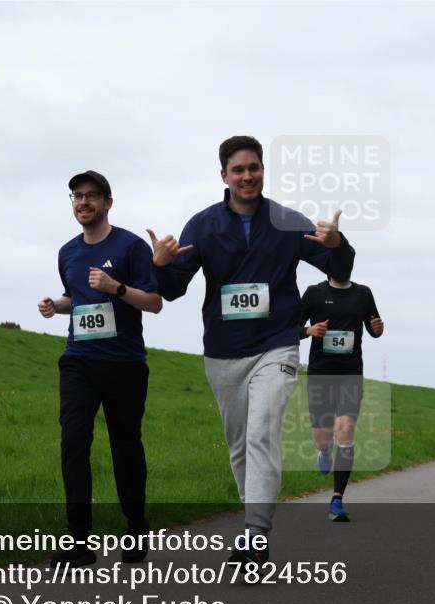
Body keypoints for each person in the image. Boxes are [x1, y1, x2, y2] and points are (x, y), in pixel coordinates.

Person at [148, 136, 355, 564]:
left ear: (263, 170)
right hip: (223, 352)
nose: (247, 176)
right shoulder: (203, 225)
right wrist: (160, 264)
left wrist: (337, 244)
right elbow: (172, 291)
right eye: (238, 170)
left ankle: (254, 537)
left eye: (254, 168)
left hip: (276, 345)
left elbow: (340, 269)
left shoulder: (286, 220)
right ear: (223, 176)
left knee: (262, 432)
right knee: (240, 444)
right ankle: (252, 515)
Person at [39, 170, 163, 568]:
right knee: (74, 441)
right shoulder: (67, 252)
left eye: (92, 196)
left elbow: (155, 302)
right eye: (77, 196)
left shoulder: (130, 247)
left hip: (125, 364)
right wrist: (54, 306)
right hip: (79, 361)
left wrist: (118, 288)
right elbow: (75, 297)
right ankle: (78, 541)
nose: (83, 202)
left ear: (108, 202)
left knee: (125, 447)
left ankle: (135, 526)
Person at [300, 272, 384, 521]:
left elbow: (373, 328)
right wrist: (308, 330)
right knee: (321, 438)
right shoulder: (314, 292)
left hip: (350, 374)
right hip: (320, 374)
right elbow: (289, 327)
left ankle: (337, 499)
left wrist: (378, 329)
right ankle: (325, 451)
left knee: (345, 430)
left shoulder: (363, 293)